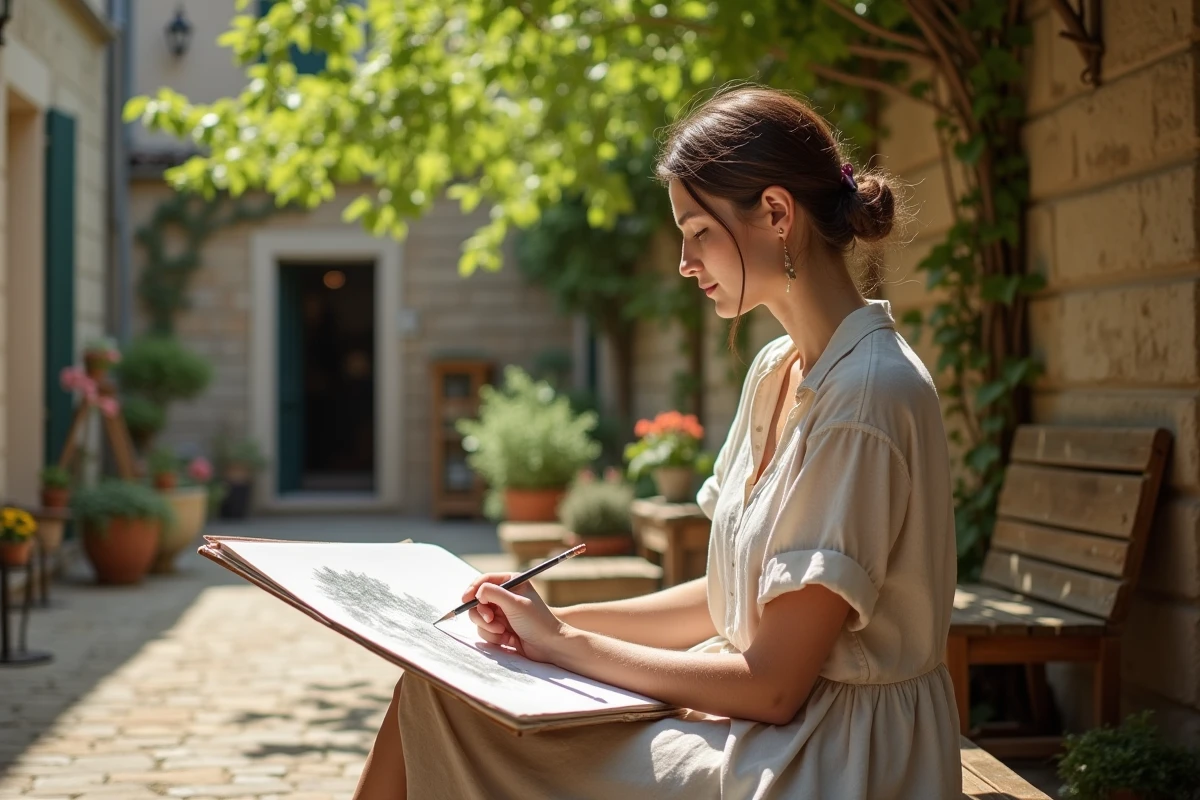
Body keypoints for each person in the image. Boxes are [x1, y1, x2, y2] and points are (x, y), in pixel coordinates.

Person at [353, 85, 961, 800]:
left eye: (699, 231)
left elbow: (773, 686)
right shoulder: (778, 370)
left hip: (830, 760)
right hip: (772, 728)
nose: (684, 261)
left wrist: (568, 646)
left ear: (776, 214)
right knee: (438, 681)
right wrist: (541, 627)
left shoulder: (865, 398)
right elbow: (728, 601)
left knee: (447, 706)